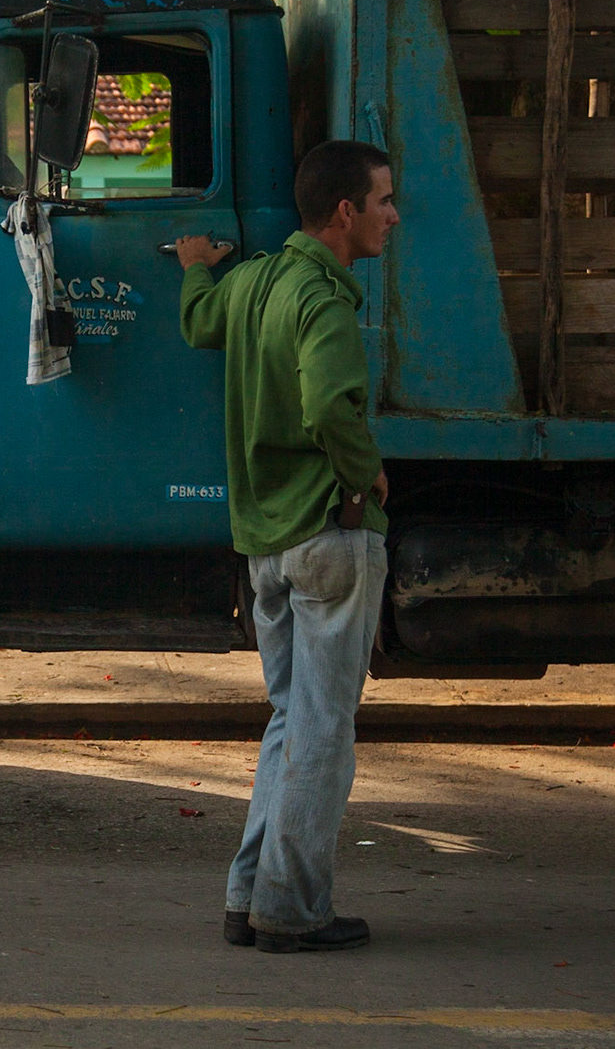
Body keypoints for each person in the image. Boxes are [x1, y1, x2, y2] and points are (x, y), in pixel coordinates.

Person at [174, 139, 399, 954]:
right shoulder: (323, 302)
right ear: (345, 213)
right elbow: (331, 405)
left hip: (263, 547)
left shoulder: (253, 282)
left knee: (288, 720)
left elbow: (199, 322)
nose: (392, 215)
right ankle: (293, 911)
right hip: (327, 538)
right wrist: (366, 474)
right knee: (324, 731)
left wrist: (197, 264)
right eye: (383, 201)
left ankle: (247, 897)